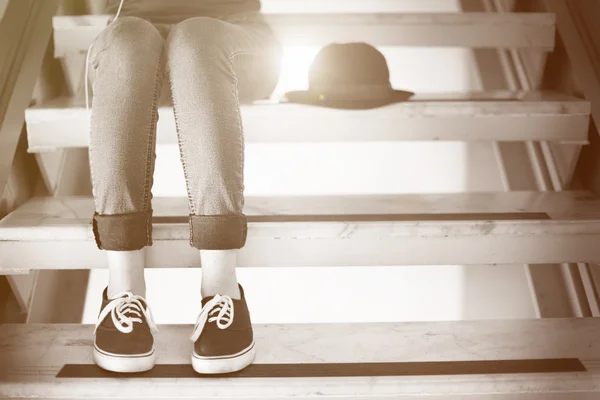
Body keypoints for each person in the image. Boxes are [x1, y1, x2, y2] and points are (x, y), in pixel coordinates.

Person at [88, 0, 282, 374]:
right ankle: (123, 289)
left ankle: (222, 289)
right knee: (129, 38)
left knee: (196, 37)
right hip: (138, 33)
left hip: (232, 32)